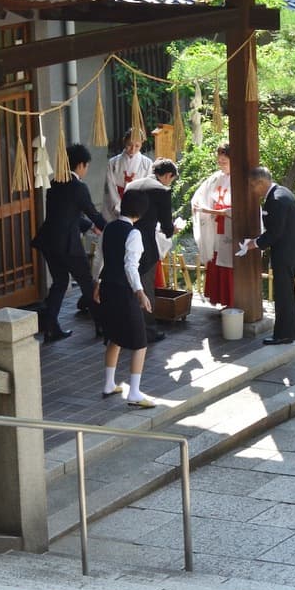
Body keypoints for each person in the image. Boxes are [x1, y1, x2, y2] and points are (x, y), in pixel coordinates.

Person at [31, 143, 106, 342]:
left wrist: (89, 226)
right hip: (68, 244)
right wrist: (112, 229)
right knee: (87, 283)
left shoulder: (55, 182)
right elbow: (93, 212)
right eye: (86, 166)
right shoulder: (79, 187)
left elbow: (65, 214)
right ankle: (102, 325)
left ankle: (50, 327)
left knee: (60, 282)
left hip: (49, 241)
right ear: (80, 165)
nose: (86, 170)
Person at [94, 188, 157, 409]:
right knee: (140, 342)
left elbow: (99, 258)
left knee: (115, 337)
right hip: (123, 291)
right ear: (141, 213)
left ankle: (109, 384)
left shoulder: (108, 228)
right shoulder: (134, 234)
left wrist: (97, 283)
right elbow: (131, 266)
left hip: (107, 288)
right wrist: (140, 292)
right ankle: (135, 392)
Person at [245, 167, 295, 345]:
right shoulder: (283, 192)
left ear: (261, 182)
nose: (252, 190)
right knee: (288, 292)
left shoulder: (276, 200)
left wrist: (254, 243)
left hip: (285, 252)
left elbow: (275, 232)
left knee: (283, 294)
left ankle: (283, 335)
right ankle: (292, 331)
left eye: (253, 186)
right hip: (293, 249)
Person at [124, 159, 179, 341]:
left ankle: (128, 325)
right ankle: (147, 330)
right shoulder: (161, 191)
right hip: (146, 244)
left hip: (125, 236)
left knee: (129, 284)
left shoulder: (132, 185)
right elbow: (166, 223)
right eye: (171, 179)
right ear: (168, 175)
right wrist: (172, 230)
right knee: (146, 287)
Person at [190, 144, 234, 307]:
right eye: (219, 161)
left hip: (231, 228)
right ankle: (223, 301)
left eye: (224, 161)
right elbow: (200, 196)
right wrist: (200, 206)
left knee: (229, 262)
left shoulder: (240, 179)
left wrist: (208, 210)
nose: (221, 164)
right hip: (217, 226)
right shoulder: (216, 177)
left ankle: (233, 302)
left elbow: (237, 209)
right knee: (217, 259)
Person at [102, 130, 150, 222]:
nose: (133, 149)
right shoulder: (113, 163)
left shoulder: (147, 164)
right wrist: (118, 207)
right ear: (124, 142)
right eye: (129, 145)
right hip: (116, 204)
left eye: (137, 146)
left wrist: (137, 209)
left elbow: (147, 188)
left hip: (138, 207)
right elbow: (110, 186)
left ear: (141, 144)